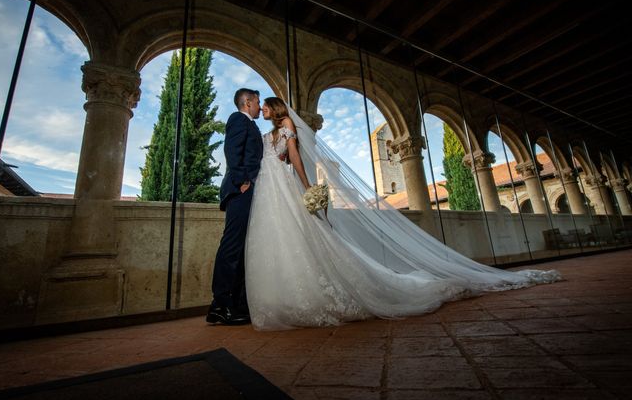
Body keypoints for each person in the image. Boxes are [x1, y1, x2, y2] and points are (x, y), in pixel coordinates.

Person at [245, 97, 561, 331]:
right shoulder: (274, 133)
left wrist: (307, 186)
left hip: (286, 188)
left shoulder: (287, 127)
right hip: (275, 192)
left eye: (267, 107)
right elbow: (283, 159)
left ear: (277, 110)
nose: (265, 110)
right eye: (262, 107)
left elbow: (296, 158)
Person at [206, 88, 262, 325]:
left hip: (247, 191)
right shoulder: (238, 119)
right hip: (240, 190)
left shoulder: (252, 124)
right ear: (247, 102)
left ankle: (238, 304)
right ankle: (220, 305)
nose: (260, 107)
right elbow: (232, 150)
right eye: (257, 102)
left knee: (241, 249)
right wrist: (242, 181)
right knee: (231, 247)